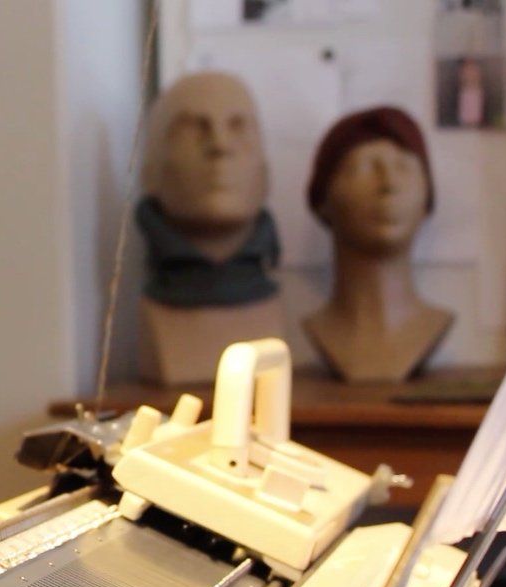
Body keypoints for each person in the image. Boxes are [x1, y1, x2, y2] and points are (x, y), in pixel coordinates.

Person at [134, 71, 283, 385]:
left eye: (238, 127)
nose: (219, 145)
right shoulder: (152, 314)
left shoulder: (276, 312)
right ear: (151, 173)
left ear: (265, 174)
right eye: (193, 128)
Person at [302, 106, 452, 382]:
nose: (389, 184)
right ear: (323, 200)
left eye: (404, 167)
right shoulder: (317, 329)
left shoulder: (435, 323)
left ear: (427, 198)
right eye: (363, 168)